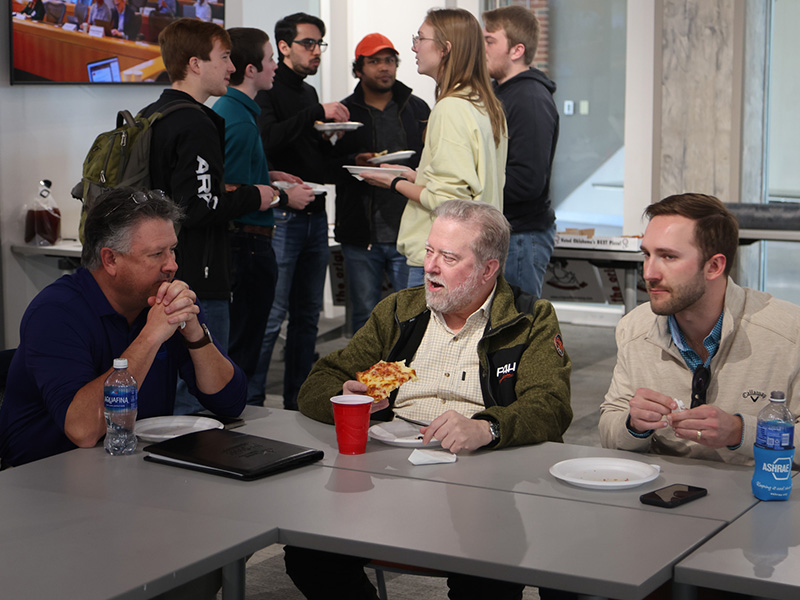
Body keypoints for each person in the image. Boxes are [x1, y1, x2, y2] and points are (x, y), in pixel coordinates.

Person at [286, 199, 572, 599]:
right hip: (389, 478)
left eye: (449, 257)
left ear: (488, 269)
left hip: (486, 490)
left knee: (489, 573)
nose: (430, 268)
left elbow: (550, 406)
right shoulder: (401, 311)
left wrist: (487, 427)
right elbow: (319, 382)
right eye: (430, 251)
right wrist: (345, 396)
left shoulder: (530, 319)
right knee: (307, 553)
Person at [0, 187, 246, 468]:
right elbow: (83, 431)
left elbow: (230, 403)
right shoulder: (55, 312)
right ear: (111, 260)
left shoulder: (164, 301)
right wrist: (151, 336)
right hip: (43, 481)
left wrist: (194, 335)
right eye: (156, 254)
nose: (172, 265)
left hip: (133, 470)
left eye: (173, 250)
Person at [599, 193, 800, 465]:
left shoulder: (789, 333)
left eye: (668, 256)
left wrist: (742, 432)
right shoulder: (634, 328)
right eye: (647, 254)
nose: (649, 273)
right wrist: (633, 425)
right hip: (662, 496)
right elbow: (609, 429)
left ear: (714, 266)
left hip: (759, 497)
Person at [139, 18, 276, 414]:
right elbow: (199, 206)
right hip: (196, 275)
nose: (231, 68)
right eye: (225, 57)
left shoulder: (155, 113)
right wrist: (256, 195)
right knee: (199, 392)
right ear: (196, 64)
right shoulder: (195, 122)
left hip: (162, 271)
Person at [359, 8, 508, 288]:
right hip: (472, 254)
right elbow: (470, 183)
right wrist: (417, 176)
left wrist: (394, 183)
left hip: (443, 259)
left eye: (420, 38)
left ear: (444, 49)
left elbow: (447, 200)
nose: (414, 47)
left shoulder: (451, 107)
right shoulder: (483, 103)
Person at [250, 12, 350, 410]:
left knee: (308, 316)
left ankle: (299, 402)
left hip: (311, 213)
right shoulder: (268, 91)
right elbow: (269, 140)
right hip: (282, 216)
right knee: (271, 316)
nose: (316, 52)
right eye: (309, 43)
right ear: (284, 47)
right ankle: (251, 403)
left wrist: (341, 145)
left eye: (320, 44)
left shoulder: (308, 95)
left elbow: (305, 155)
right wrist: (316, 114)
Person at [211, 27, 314, 399]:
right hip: (247, 244)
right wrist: (286, 199)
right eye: (271, 59)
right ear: (252, 69)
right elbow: (232, 193)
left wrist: (268, 176)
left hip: (245, 243)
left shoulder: (236, 111)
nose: (276, 66)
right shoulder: (237, 118)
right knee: (245, 345)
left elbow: (235, 176)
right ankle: (243, 413)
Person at [334, 33, 430, 332]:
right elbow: (329, 168)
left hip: (410, 232)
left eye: (389, 60)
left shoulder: (417, 109)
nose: (384, 67)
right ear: (359, 69)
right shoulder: (342, 114)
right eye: (374, 61)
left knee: (411, 317)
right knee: (364, 318)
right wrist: (354, 160)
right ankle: (365, 378)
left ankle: (401, 378)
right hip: (362, 234)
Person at [483, 5, 559, 298]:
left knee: (515, 330)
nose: (482, 49)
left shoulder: (529, 98)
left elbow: (527, 182)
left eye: (490, 41)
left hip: (520, 235)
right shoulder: (502, 92)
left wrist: (472, 191)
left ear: (516, 50)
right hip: (506, 232)